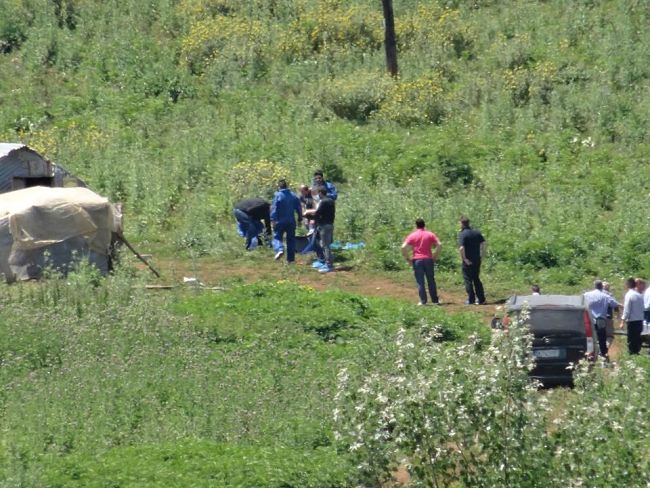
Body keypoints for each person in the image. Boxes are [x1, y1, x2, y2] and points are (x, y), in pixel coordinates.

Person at [401, 218, 442, 305]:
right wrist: (435, 256)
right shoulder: (430, 234)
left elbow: (403, 247)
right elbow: (439, 245)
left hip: (417, 260)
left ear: (416, 225)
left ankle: (423, 301)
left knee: (420, 281)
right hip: (428, 259)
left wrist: (408, 259)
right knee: (431, 280)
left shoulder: (413, 235)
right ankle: (435, 300)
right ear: (424, 225)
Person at [584, 280, 621, 358]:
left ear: (594, 286)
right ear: (601, 286)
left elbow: (581, 303)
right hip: (600, 319)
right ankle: (603, 353)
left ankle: (590, 352)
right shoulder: (606, 296)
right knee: (602, 337)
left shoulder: (587, 295)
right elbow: (614, 304)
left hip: (589, 319)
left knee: (590, 336)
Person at [304, 186, 336, 273]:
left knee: (325, 246)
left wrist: (307, 215)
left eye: (318, 193)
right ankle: (328, 262)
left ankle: (329, 265)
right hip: (330, 224)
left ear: (321, 193)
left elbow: (318, 213)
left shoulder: (324, 201)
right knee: (325, 244)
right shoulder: (331, 201)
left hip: (324, 226)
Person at [270, 179, 302, 263]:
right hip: (291, 221)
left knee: (277, 237)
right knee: (291, 240)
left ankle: (279, 249)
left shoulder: (278, 195)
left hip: (280, 221)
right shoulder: (293, 195)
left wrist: (273, 220)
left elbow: (274, 209)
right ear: (287, 186)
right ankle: (290, 260)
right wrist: (300, 218)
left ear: (279, 186)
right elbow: (299, 208)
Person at [458, 216, 486, 305]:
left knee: (468, 279)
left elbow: (461, 248)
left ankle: (471, 299)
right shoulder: (476, 232)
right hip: (477, 259)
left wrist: (464, 259)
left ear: (462, 224)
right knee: (476, 278)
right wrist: (482, 254)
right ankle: (481, 299)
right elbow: (483, 243)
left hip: (468, 260)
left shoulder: (463, 234)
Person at [620, 277, 644, 355]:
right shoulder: (639, 295)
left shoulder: (629, 295)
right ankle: (637, 354)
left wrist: (622, 321)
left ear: (628, 284)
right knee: (637, 339)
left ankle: (632, 355)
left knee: (631, 340)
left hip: (632, 321)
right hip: (640, 321)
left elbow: (627, 309)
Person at [603, 281, 618, 348]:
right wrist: (617, 314)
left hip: (595, 319)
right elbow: (615, 305)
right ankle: (605, 349)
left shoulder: (594, 295)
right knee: (609, 336)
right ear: (608, 288)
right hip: (607, 318)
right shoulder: (609, 295)